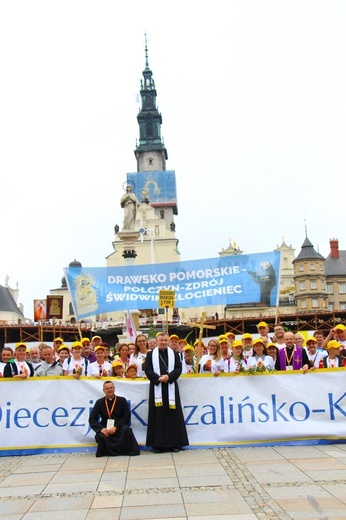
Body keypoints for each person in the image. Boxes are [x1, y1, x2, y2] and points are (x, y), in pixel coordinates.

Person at [144, 332, 189, 453]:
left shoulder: (174, 354)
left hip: (171, 386)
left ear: (168, 342)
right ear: (157, 341)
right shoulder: (150, 355)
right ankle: (157, 444)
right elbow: (147, 369)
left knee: (172, 415)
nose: (163, 342)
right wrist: (157, 378)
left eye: (165, 340)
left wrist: (168, 377)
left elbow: (179, 368)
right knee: (157, 415)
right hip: (157, 386)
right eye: (161, 340)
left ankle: (174, 443)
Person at [89, 380, 140, 457]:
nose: (109, 390)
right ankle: (107, 452)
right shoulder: (99, 402)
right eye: (107, 388)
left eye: (111, 388)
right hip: (105, 427)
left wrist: (115, 427)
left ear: (114, 389)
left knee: (126, 430)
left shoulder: (122, 400)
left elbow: (126, 416)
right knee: (100, 436)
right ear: (103, 390)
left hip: (119, 426)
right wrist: (101, 429)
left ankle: (124, 451)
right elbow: (92, 419)